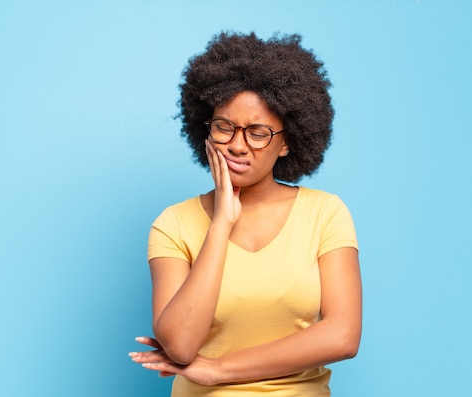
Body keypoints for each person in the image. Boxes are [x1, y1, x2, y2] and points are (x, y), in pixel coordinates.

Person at [129, 31, 362, 396]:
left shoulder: (324, 213)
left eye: (258, 132)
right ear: (205, 131)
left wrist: (220, 370)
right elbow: (180, 346)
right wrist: (222, 222)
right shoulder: (173, 224)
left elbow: (343, 336)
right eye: (225, 127)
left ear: (286, 142)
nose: (238, 145)